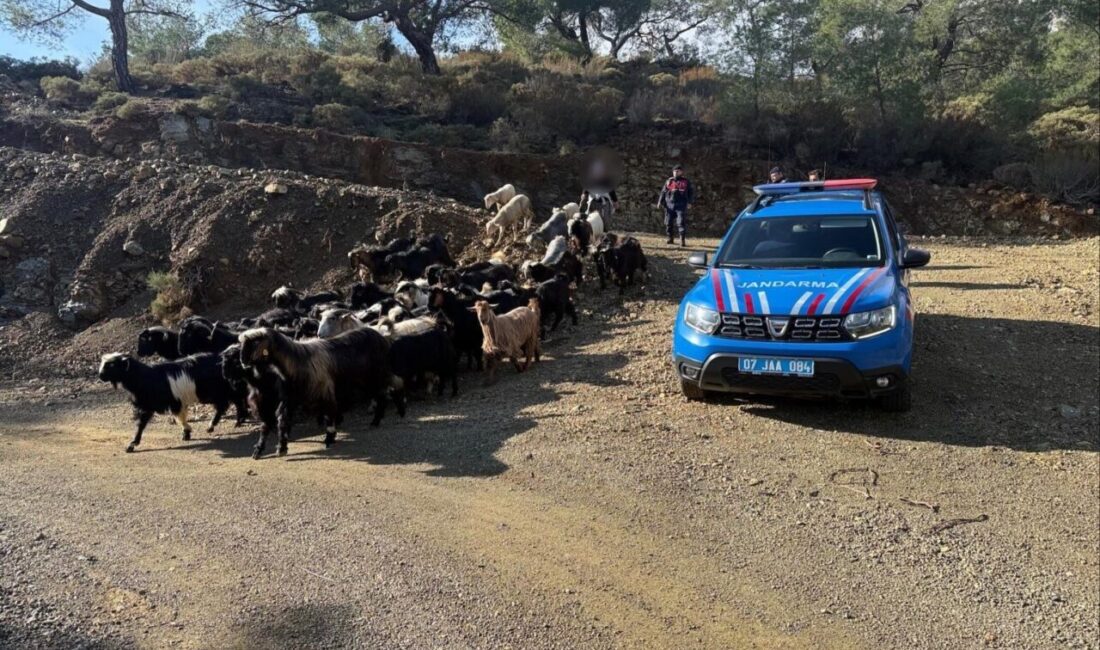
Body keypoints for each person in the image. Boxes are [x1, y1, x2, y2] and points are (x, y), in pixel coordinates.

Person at [657, 164, 694, 247]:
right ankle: (670, 238)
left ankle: (682, 240)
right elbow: (663, 192)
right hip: (669, 205)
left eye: (677, 171)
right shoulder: (669, 181)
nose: (675, 173)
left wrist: (690, 202)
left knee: (680, 222)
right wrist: (660, 202)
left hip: (681, 205)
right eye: (674, 171)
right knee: (668, 223)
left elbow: (691, 193)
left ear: (681, 172)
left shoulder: (686, 181)